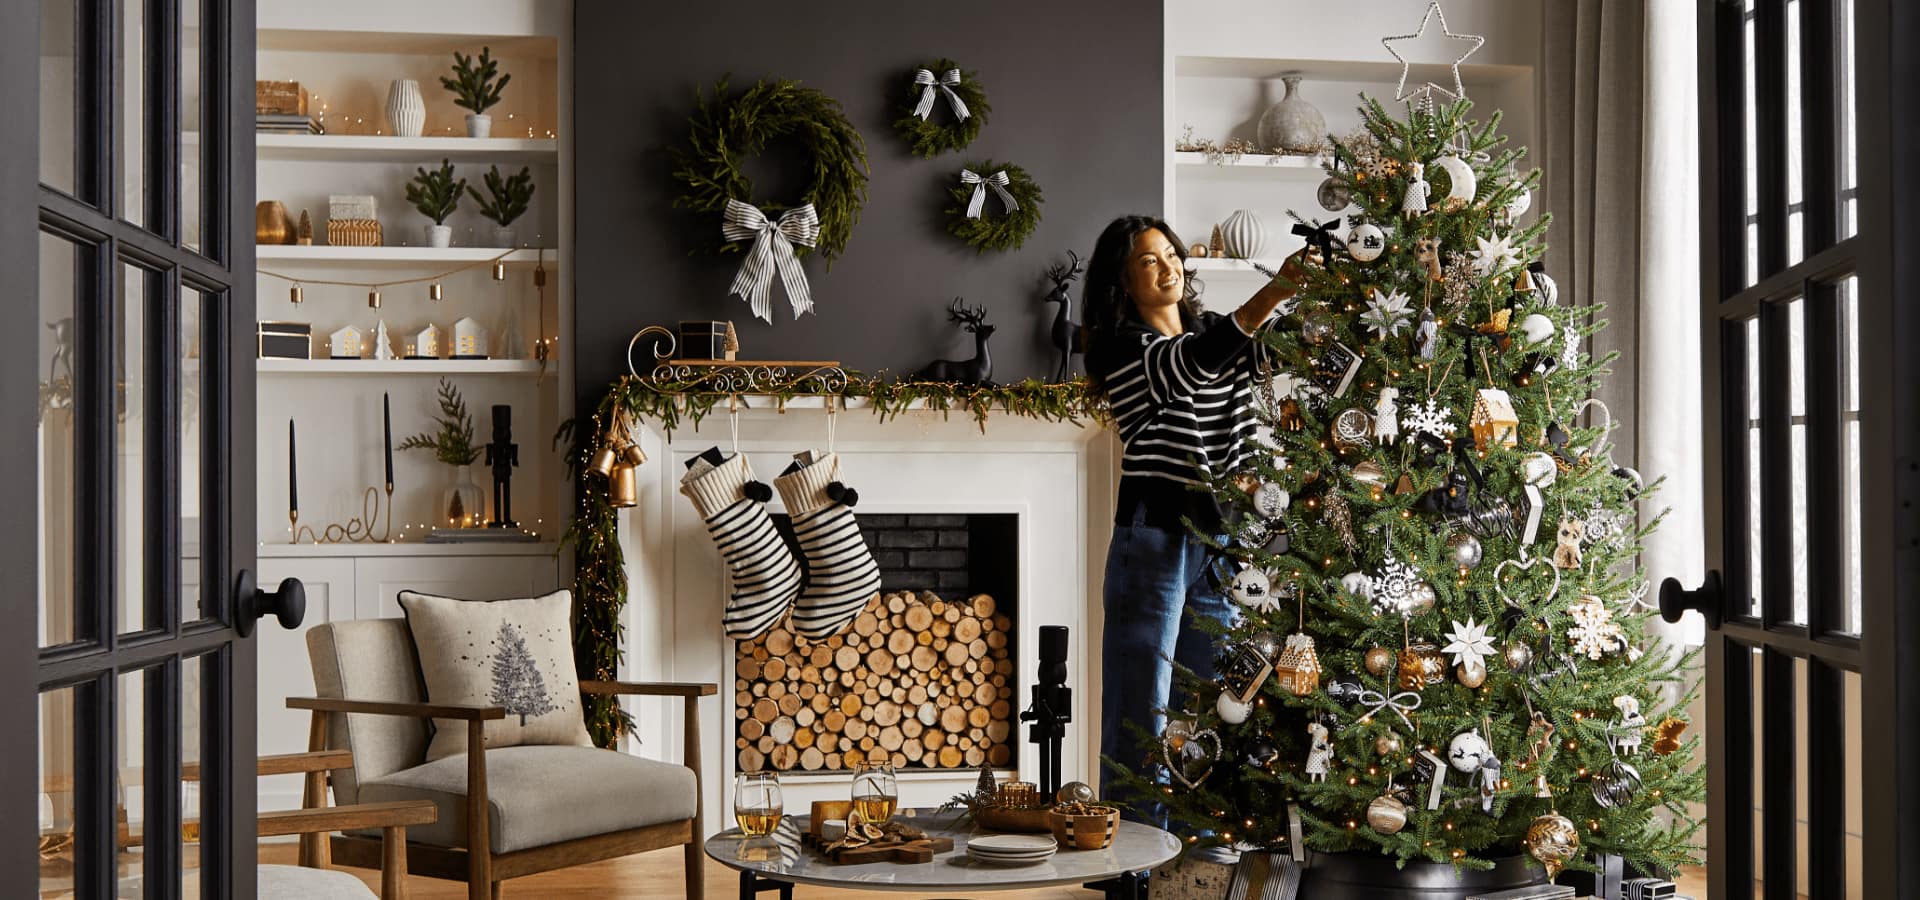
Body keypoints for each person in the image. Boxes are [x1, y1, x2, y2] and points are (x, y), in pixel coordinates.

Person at [1083, 215, 1306, 815]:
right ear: (1124, 283)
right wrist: (1275, 289)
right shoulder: (1127, 349)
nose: (1168, 266)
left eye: (1171, 254)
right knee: (1142, 703)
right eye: (1149, 261)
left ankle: (1196, 852)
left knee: (1210, 702)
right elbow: (1193, 361)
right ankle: (1133, 861)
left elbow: (1270, 354)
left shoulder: (1215, 331)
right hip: (1154, 537)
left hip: (1222, 538)